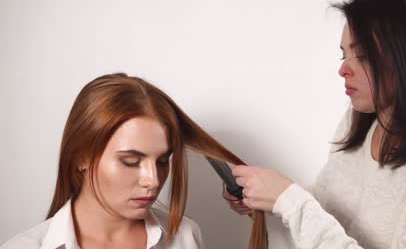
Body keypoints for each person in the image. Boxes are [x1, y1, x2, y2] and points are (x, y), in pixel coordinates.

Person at [225, 0, 406, 248]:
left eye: (361, 55)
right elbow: (326, 215)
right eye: (344, 54)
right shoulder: (358, 126)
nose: (343, 69)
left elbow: (309, 214)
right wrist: (265, 200)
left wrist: (290, 200)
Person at [1, 73, 267, 249]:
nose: (153, 180)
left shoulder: (185, 237)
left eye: (163, 160)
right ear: (82, 156)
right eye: (130, 160)